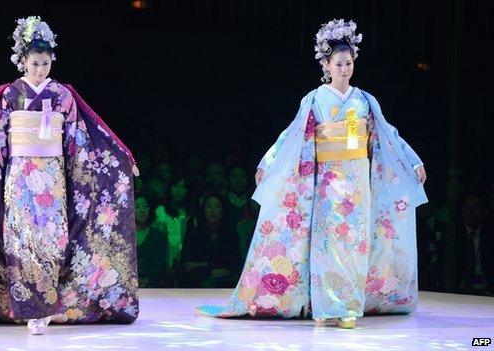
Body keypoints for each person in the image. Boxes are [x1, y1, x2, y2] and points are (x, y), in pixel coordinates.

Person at [0, 16, 140, 334]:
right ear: (22, 61)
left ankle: (45, 305)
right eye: (34, 64)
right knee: (21, 240)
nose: (40, 70)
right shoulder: (9, 95)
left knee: (53, 239)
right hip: (20, 176)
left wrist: (120, 158)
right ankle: (28, 307)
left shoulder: (63, 95)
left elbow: (85, 134)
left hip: (53, 175)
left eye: (46, 63)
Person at [198, 19, 427, 329]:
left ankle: (348, 307)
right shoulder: (316, 99)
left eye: (348, 63)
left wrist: (413, 162)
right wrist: (268, 162)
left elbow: (389, 136)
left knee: (355, 244)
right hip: (328, 181)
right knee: (326, 244)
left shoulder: (364, 101)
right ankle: (325, 306)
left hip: (357, 181)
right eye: (338, 63)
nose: (344, 69)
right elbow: (290, 135)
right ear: (327, 65)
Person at [180, 194, 239, 288]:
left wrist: (201, 264)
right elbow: (186, 265)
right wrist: (211, 270)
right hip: (199, 282)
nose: (213, 210)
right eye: (208, 206)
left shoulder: (231, 234)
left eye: (217, 206)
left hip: (226, 281)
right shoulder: (193, 234)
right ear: (203, 210)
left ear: (223, 210)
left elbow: (234, 263)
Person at [135, 194, 169, 288]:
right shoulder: (123, 236)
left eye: (145, 206)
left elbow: (160, 264)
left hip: (153, 284)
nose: (142, 210)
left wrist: (148, 280)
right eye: (137, 207)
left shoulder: (158, 235)